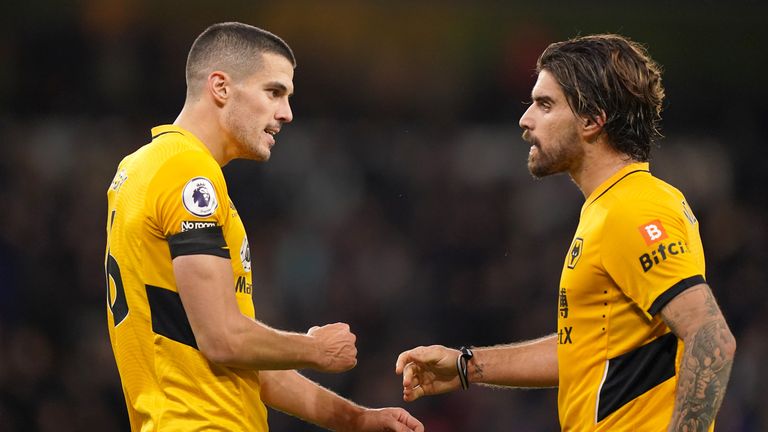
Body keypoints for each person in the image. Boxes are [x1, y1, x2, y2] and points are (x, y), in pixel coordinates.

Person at [396, 34, 736, 431]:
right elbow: (586, 350)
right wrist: (466, 365)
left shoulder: (632, 208)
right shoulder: (614, 205)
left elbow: (711, 336)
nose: (526, 119)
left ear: (593, 120)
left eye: (545, 104)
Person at [105, 22, 423, 432]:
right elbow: (223, 338)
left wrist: (357, 419)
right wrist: (314, 349)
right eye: (274, 92)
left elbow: (250, 362)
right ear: (220, 87)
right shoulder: (187, 173)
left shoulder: (143, 168)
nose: (286, 113)